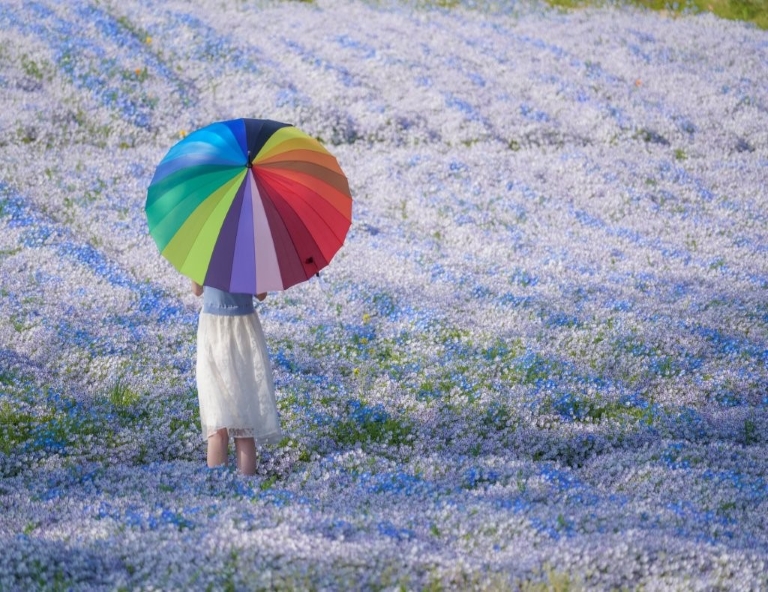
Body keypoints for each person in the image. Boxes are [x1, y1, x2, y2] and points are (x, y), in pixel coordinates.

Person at [192, 281, 283, 475]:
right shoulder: (252, 250)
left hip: (212, 329)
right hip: (244, 327)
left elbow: (196, 290)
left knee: (217, 426)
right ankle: (247, 491)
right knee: (244, 427)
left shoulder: (204, 250)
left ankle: (217, 492)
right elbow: (261, 294)